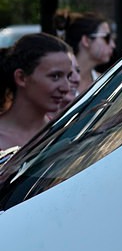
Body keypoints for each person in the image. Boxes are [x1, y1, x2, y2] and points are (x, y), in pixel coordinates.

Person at [0, 33, 73, 163]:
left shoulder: (65, 131)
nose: (66, 88)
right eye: (55, 76)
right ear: (21, 78)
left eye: (68, 76)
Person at [54, 10, 116, 95]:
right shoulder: (57, 83)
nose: (113, 45)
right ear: (86, 41)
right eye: (106, 38)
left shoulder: (104, 82)